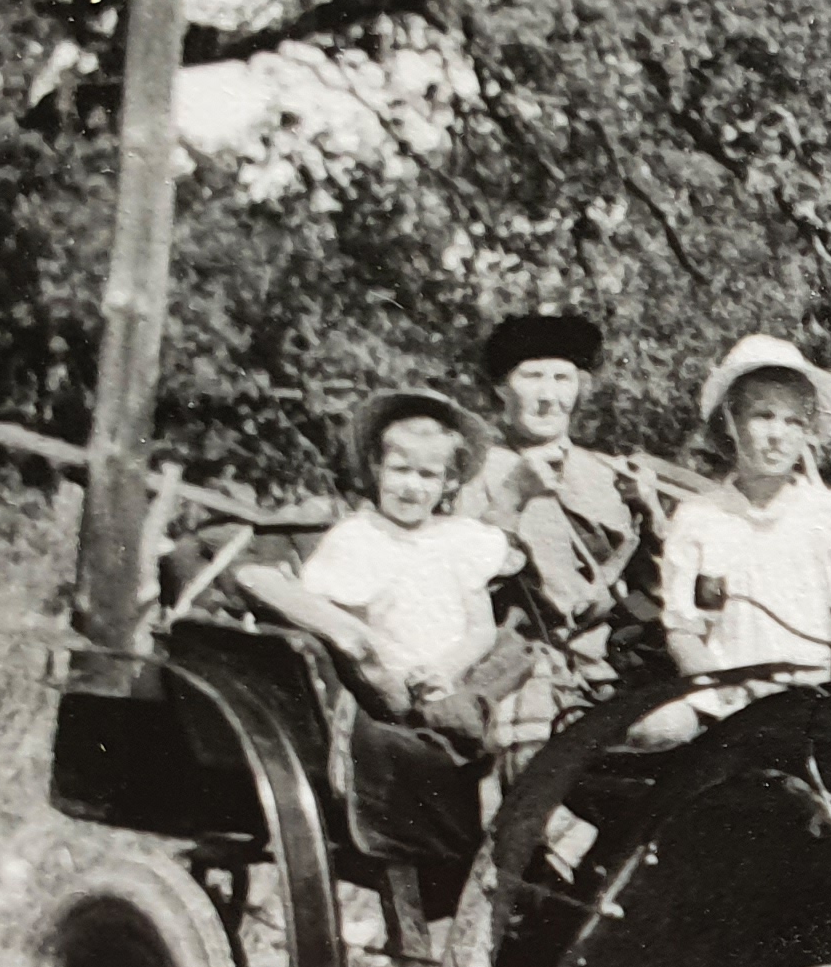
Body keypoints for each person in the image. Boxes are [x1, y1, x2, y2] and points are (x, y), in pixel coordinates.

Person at [633, 336, 831, 743]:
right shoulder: (700, 518)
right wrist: (724, 687)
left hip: (817, 701)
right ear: (731, 421)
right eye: (762, 416)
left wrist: (826, 697)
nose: (777, 435)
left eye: (793, 422)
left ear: (807, 432)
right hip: (726, 703)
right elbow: (684, 632)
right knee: (655, 731)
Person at [235, 388, 516, 742]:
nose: (411, 487)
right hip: (389, 680)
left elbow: (481, 629)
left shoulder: (463, 539)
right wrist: (394, 667)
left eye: (427, 475)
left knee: (488, 713)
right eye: (400, 470)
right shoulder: (358, 536)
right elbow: (344, 626)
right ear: (375, 467)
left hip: (453, 675)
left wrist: (445, 669)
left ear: (450, 482)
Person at [461, 309, 647, 762]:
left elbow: (651, 590)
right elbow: (460, 577)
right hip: (514, 667)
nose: (548, 397)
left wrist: (650, 514)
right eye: (532, 377)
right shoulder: (471, 472)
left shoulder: (607, 474)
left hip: (609, 668)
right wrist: (510, 498)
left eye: (562, 379)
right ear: (501, 389)